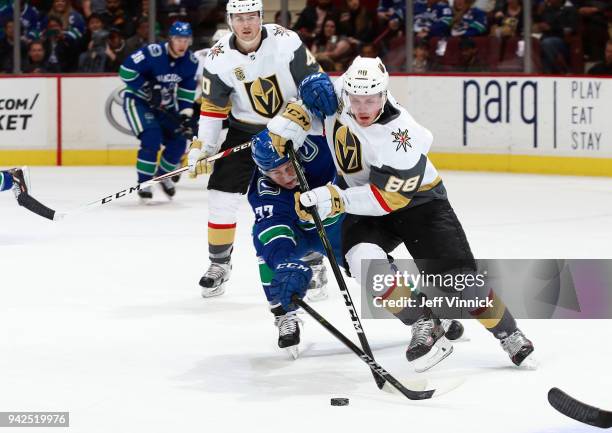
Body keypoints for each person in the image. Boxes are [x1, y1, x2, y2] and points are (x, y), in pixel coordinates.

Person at [266, 57, 535, 371]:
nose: (363, 107)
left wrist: (333, 198)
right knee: (363, 261)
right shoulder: (342, 92)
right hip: (362, 198)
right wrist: (291, 117)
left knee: (457, 282)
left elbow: (386, 199)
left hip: (419, 203)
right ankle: (423, 323)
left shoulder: (400, 136)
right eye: (356, 99)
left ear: (384, 95)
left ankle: (508, 332)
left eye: (371, 100)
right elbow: (307, 103)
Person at [186, 0, 325, 299]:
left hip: (291, 128)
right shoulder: (218, 57)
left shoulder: (287, 42)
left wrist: (298, 116)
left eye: (252, 17)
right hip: (245, 131)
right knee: (220, 193)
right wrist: (203, 146)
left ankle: (313, 261)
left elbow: (317, 85)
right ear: (230, 20)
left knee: (303, 193)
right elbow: (212, 108)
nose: (246, 24)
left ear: (262, 17)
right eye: (239, 18)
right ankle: (219, 263)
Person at [248, 130, 341, 357]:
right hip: (297, 235)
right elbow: (273, 233)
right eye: (276, 172)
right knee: (265, 248)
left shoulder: (321, 155)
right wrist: (284, 263)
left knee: (367, 260)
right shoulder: (263, 191)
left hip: (334, 225)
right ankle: (283, 314)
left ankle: (420, 312)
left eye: (289, 167)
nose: (286, 176)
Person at [119, 21, 198, 201]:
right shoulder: (152, 52)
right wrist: (147, 88)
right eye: (179, 39)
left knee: (179, 141)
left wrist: (185, 115)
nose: (182, 44)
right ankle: (145, 183)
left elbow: (186, 91)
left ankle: (162, 176)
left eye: (186, 40)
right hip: (138, 102)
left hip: (165, 106)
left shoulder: (190, 61)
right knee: (151, 138)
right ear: (170, 39)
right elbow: (125, 71)